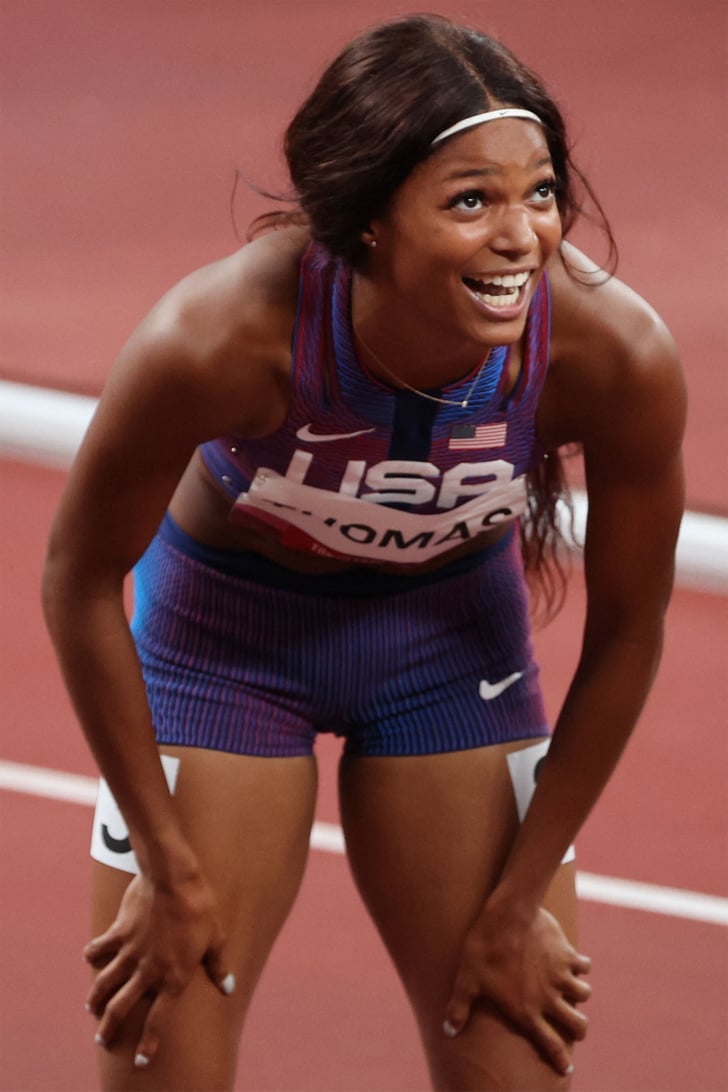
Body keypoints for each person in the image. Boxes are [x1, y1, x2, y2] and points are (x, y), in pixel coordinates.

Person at [42, 13, 686, 1091]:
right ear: (368, 223)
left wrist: (518, 900)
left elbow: (627, 627)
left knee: (515, 1054)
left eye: (538, 193)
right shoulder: (216, 341)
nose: (523, 236)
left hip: (447, 652)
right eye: (470, 199)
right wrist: (161, 859)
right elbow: (77, 578)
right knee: (160, 1054)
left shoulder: (610, 352)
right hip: (221, 649)